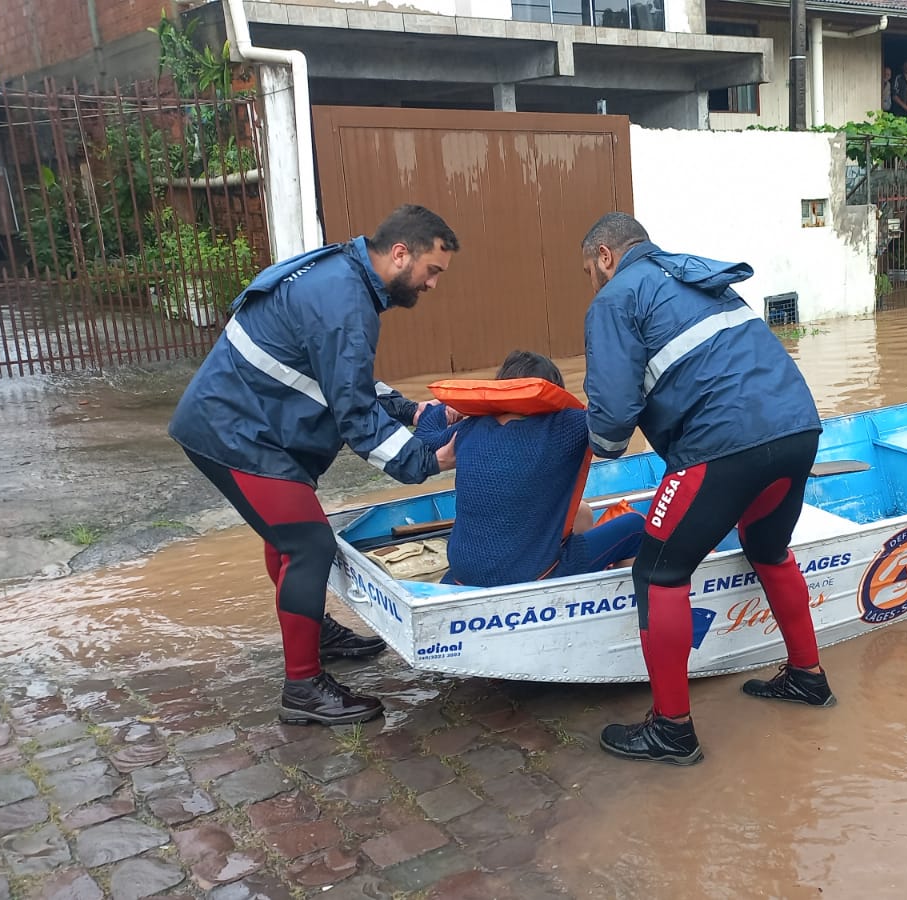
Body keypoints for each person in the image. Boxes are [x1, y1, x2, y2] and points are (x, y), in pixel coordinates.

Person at [169, 204, 461, 728]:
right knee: (308, 542)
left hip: (244, 424)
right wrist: (427, 458)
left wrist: (412, 410)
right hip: (235, 433)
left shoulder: (340, 276)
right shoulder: (347, 302)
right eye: (432, 271)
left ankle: (315, 633)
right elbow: (352, 413)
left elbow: (339, 376)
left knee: (290, 536)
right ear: (401, 254)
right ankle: (302, 688)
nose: (433, 284)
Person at [580, 211, 835, 766]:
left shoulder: (615, 296)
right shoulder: (695, 273)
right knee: (767, 549)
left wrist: (577, 434)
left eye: (591, 271)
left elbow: (611, 429)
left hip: (722, 446)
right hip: (798, 427)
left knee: (657, 572)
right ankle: (807, 677)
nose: (595, 282)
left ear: (605, 256)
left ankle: (672, 730)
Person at [412, 349, 646, 587]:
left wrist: (446, 407)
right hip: (531, 576)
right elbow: (617, 417)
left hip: (464, 576)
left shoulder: (470, 428)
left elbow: (425, 438)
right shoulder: (568, 425)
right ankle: (616, 606)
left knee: (582, 513)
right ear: (555, 390)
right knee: (635, 528)